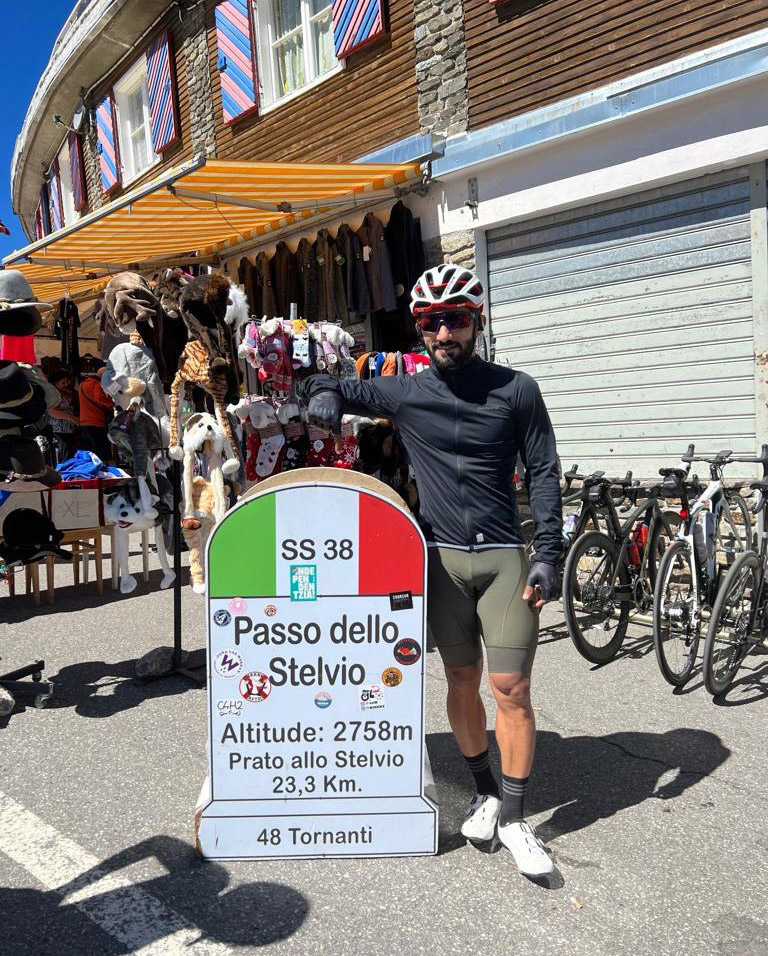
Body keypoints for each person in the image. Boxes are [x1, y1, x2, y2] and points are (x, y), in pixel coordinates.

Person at [305, 263, 562, 877]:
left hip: (504, 559)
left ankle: (516, 819)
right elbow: (326, 378)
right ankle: (485, 792)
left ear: (477, 321)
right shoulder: (406, 391)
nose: (443, 333)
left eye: (455, 319)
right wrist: (321, 393)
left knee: (512, 688)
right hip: (440, 563)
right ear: (419, 329)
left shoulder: (516, 389)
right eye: (430, 322)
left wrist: (549, 553)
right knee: (460, 681)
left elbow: (544, 470)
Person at [77, 360, 114, 464]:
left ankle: (91, 470)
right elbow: (100, 398)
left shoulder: (82, 384)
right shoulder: (96, 384)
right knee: (101, 452)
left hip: (84, 422)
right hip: (97, 422)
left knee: (90, 452)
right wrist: (113, 404)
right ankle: (103, 469)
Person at [47, 367, 80, 462]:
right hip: (59, 431)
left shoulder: (67, 392)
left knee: (72, 455)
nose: (66, 384)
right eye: (63, 383)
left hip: (70, 430)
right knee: (65, 456)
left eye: (67, 382)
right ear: (55, 383)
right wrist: (72, 418)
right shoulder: (52, 395)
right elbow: (52, 411)